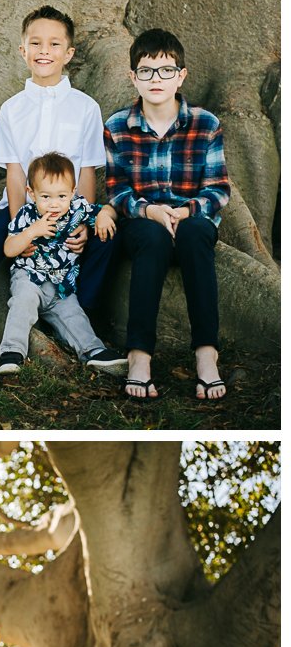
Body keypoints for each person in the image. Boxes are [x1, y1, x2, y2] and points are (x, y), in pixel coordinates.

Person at [0, 5, 120, 380]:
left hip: (70, 209)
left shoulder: (86, 108)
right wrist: (16, 229)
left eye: (55, 43)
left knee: (104, 239)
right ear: (23, 51)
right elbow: (13, 172)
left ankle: (78, 317)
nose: (45, 50)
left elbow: (87, 170)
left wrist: (84, 222)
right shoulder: (12, 109)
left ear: (68, 54)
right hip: (26, 209)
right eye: (36, 43)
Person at [104, 28, 231, 402]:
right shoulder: (116, 127)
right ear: (133, 77)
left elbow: (218, 188)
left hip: (193, 219)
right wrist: (149, 211)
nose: (155, 79)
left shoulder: (206, 124)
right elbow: (117, 188)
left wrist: (183, 211)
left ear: (181, 75)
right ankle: (139, 358)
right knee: (153, 239)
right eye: (146, 71)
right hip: (143, 223)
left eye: (165, 70)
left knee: (193, 235)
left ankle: (206, 357)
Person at [0, 152, 124, 373]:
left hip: (61, 287)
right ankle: (12, 352)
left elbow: (109, 208)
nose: (54, 204)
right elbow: (9, 248)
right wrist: (31, 232)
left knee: (73, 315)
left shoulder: (77, 210)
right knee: (22, 302)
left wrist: (105, 216)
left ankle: (93, 351)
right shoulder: (27, 214)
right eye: (46, 197)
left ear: (73, 193)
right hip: (30, 278)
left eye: (61, 196)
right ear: (32, 193)